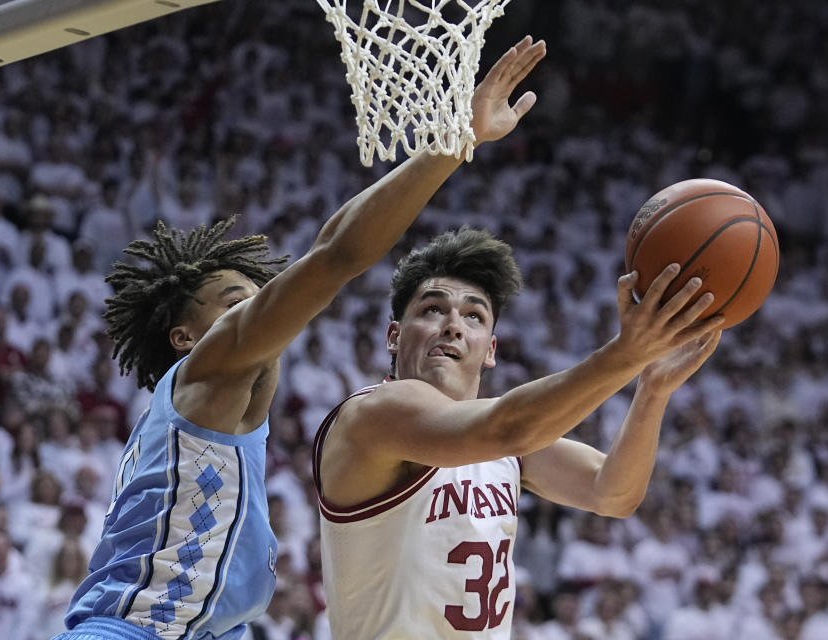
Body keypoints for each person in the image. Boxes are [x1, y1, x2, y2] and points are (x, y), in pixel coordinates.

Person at [56, 36, 546, 640]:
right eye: (237, 302)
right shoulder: (210, 373)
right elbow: (337, 253)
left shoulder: (225, 425)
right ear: (186, 337)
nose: (259, 310)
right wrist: (453, 142)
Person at [313, 227, 724, 638]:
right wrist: (628, 354)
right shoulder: (372, 416)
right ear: (394, 336)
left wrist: (651, 391)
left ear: (490, 349)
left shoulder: (506, 444)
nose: (453, 325)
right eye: (433, 309)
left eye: (474, 315)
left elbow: (613, 492)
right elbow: (509, 427)